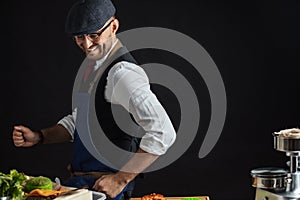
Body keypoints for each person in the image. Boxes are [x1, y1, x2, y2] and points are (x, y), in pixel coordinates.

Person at [12, 0, 176, 199]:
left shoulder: (122, 73)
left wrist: (121, 179)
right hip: (81, 187)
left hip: (105, 191)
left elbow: (163, 131)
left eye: (94, 35)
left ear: (113, 26)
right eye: (79, 37)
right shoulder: (94, 66)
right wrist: (40, 136)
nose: (87, 44)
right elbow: (80, 120)